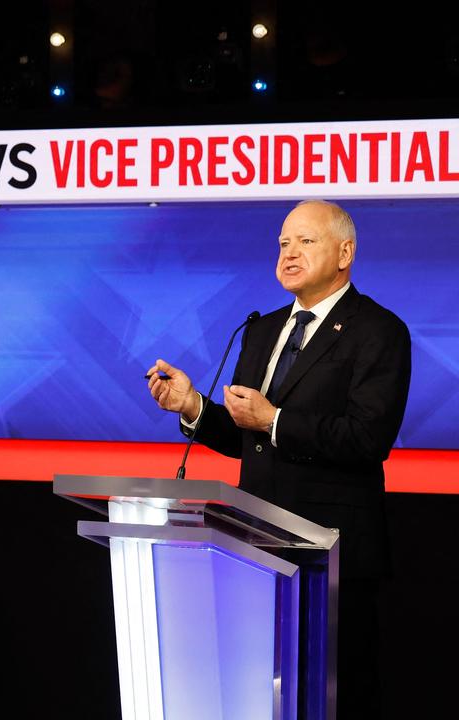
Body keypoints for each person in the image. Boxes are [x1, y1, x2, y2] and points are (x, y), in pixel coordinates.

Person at [146, 199, 410, 719]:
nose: (289, 253)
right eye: (283, 243)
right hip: (255, 547)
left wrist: (274, 419)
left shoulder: (378, 330)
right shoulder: (261, 330)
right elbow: (250, 437)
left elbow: (367, 437)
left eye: (306, 241)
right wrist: (195, 406)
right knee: (266, 696)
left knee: (336, 698)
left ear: (344, 252)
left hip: (332, 553)